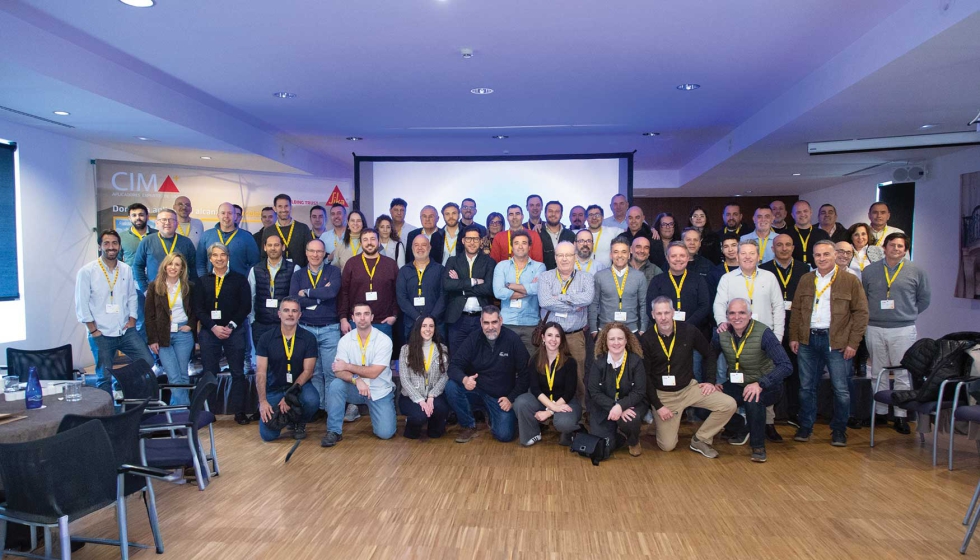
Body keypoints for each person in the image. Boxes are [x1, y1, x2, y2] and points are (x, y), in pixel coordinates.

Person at [789, 240, 869, 447]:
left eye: (826, 254)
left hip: (837, 342)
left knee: (841, 389)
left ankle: (839, 430)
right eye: (817, 255)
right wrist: (794, 336)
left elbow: (861, 313)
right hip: (807, 340)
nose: (822, 258)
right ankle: (805, 426)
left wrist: (853, 343)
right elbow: (796, 310)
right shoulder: (806, 279)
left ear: (835, 256)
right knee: (806, 388)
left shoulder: (850, 280)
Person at [641, 297, 735, 458]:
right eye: (659, 313)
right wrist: (658, 406)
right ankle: (658, 422)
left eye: (666, 312)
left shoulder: (689, 330)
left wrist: (710, 381)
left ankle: (701, 439)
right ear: (653, 315)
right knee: (667, 446)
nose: (663, 317)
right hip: (664, 396)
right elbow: (646, 377)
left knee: (728, 404)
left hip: (689, 389)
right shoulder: (646, 339)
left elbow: (709, 353)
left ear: (673, 312)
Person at [714, 240, 786, 441]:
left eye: (751, 253)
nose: (747, 257)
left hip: (764, 340)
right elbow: (719, 304)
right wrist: (722, 324)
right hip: (736, 340)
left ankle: (767, 424)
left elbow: (778, 307)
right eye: (743, 253)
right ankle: (741, 423)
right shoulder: (728, 279)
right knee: (737, 380)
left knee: (764, 380)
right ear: (737, 256)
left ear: (758, 256)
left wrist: (777, 338)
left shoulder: (769, 277)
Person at [861, 232, 931, 435]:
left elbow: (924, 299)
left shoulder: (916, 271)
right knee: (877, 372)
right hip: (874, 327)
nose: (896, 249)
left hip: (903, 329)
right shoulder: (869, 271)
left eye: (900, 246)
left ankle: (901, 415)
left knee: (902, 373)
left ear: (905, 250)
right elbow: (864, 297)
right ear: (885, 247)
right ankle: (880, 413)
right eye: (892, 245)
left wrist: (907, 314)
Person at [713, 298, 793, 463]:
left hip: (767, 386)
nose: (737, 317)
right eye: (732, 313)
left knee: (752, 398)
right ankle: (742, 426)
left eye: (741, 313)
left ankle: (758, 447)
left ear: (750, 315)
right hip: (738, 383)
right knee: (707, 400)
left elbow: (786, 366)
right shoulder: (721, 333)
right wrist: (711, 382)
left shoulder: (764, 333)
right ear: (727, 316)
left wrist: (761, 384)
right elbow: (709, 357)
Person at [75, 230, 154, 393]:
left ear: (119, 246)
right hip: (101, 333)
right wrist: (93, 330)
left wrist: (132, 319)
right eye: (106, 243)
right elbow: (81, 304)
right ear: (100, 246)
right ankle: (107, 408)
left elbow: (132, 296)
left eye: (115, 243)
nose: (111, 247)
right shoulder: (87, 271)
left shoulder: (126, 269)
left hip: (125, 330)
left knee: (147, 361)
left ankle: (120, 384)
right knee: (103, 377)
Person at [446, 305, 530, 443]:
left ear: (501, 321)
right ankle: (469, 425)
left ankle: (490, 415)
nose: (490, 327)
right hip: (477, 390)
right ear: (481, 322)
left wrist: (511, 398)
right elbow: (453, 366)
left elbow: (525, 374)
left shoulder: (513, 340)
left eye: (494, 322)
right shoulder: (473, 338)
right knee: (451, 386)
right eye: (486, 323)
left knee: (504, 435)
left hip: (500, 398)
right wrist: (465, 379)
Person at [322, 302, 398, 447]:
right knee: (336, 385)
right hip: (355, 388)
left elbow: (374, 372)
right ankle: (334, 431)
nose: (362, 318)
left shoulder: (383, 340)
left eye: (366, 314)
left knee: (386, 433)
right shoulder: (345, 340)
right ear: (353, 318)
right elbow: (338, 370)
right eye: (358, 314)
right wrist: (356, 379)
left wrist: (348, 366)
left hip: (378, 390)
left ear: (372, 317)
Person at [194, 242, 251, 424]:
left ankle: (239, 412)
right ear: (210, 259)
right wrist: (213, 327)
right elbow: (198, 308)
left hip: (234, 331)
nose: (219, 258)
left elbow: (245, 306)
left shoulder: (239, 279)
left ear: (228, 257)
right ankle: (209, 413)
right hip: (210, 332)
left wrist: (231, 326)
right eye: (215, 255)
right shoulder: (202, 281)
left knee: (238, 372)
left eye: (223, 255)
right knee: (209, 373)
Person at [290, 238, 343, 418]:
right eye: (312, 251)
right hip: (306, 328)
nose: (315, 255)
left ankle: (331, 409)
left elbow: (332, 292)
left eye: (319, 251)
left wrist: (308, 292)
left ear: (324, 254)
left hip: (330, 328)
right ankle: (318, 408)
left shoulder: (333, 271)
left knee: (331, 371)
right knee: (314, 372)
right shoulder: (298, 275)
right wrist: (321, 296)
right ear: (306, 253)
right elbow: (295, 300)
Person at [537, 241, 594, 408]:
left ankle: (582, 412)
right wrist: (574, 305)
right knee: (549, 374)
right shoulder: (545, 277)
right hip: (551, 338)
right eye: (560, 255)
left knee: (579, 376)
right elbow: (545, 301)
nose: (564, 259)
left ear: (575, 256)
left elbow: (587, 299)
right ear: (555, 257)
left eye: (568, 255)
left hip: (575, 336)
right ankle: (550, 410)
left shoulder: (586, 278)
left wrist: (559, 297)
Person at [255, 297, 321, 442]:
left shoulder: (308, 338)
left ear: (299, 315)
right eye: (286, 310)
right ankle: (289, 417)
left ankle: (299, 422)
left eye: (294, 311)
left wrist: (289, 396)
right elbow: (260, 372)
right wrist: (263, 401)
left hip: (299, 388)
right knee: (268, 436)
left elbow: (308, 371)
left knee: (312, 400)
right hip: (274, 388)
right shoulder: (266, 338)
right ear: (279, 314)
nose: (290, 314)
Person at [760, 233, 808, 427]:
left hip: (796, 328)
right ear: (773, 248)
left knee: (796, 373)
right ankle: (772, 416)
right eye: (779, 245)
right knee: (772, 372)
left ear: (793, 248)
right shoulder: (764, 270)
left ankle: (793, 412)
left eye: (788, 244)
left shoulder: (804, 269)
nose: (784, 248)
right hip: (772, 329)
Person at [514, 323, 582, 447]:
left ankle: (569, 433)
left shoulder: (570, 361)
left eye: (557, 336)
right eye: (549, 335)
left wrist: (550, 411)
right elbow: (535, 389)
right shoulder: (535, 360)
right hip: (542, 400)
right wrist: (552, 407)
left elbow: (569, 392)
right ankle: (532, 433)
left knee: (564, 423)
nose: (553, 339)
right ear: (543, 338)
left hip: (565, 402)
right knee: (521, 402)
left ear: (561, 340)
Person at [588, 322, 648, 457]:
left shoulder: (636, 361)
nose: (616, 342)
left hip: (631, 405)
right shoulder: (598, 361)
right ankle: (619, 436)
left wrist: (621, 406)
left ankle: (633, 441)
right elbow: (594, 391)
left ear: (626, 340)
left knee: (631, 419)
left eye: (620, 338)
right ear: (606, 341)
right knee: (603, 450)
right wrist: (614, 406)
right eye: (612, 339)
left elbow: (639, 391)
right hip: (605, 407)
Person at [145, 253, 197, 405]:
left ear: (182, 269)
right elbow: (149, 315)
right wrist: (152, 339)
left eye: (177, 264)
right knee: (173, 376)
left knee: (183, 374)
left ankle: (177, 411)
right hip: (162, 335)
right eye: (170, 264)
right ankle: (184, 411)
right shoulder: (154, 286)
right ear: (165, 266)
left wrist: (190, 325)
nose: (173, 267)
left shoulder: (189, 287)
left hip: (183, 334)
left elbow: (196, 310)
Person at [443, 225, 497, 351]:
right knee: (457, 356)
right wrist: (474, 281)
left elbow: (488, 288)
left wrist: (460, 286)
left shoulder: (489, 262)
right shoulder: (453, 261)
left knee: (482, 356)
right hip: (457, 319)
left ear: (481, 241)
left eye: (476, 239)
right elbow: (447, 285)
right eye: (468, 239)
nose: (472, 243)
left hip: (482, 318)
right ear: (463, 241)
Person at [338, 228, 399, 338]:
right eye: (365, 240)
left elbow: (397, 292)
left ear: (379, 242)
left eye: (373, 239)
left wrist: (394, 315)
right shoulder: (352, 264)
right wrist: (343, 319)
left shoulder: (390, 264)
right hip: (356, 322)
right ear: (361, 243)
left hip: (383, 322)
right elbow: (344, 292)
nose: (369, 243)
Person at [398, 316, 451, 440]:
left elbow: (445, 376)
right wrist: (420, 400)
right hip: (411, 397)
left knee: (440, 410)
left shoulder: (442, 349)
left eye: (431, 326)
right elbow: (404, 379)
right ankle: (411, 427)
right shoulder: (406, 350)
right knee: (419, 416)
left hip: (434, 395)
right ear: (418, 328)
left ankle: (434, 428)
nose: (428, 329)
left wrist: (432, 396)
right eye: (424, 326)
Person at [493, 230, 545, 355]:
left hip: (531, 323)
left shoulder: (539, 267)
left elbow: (538, 288)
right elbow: (498, 292)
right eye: (516, 243)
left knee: (531, 361)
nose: (520, 246)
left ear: (529, 246)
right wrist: (527, 291)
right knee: (506, 361)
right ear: (512, 246)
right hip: (507, 322)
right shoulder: (501, 266)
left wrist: (510, 285)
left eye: (524, 243)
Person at [249, 234, 299, 360]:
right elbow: (251, 297)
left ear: (283, 247)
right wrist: (252, 320)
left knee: (285, 361)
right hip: (261, 324)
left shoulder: (294, 268)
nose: (273, 248)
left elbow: (297, 299)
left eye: (276, 245)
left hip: (285, 325)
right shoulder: (255, 270)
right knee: (263, 362)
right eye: (269, 245)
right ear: (265, 247)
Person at [646, 242, 712, 336]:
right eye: (673, 256)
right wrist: (668, 327)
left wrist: (686, 326)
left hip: (693, 332)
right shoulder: (657, 281)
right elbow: (650, 308)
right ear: (667, 258)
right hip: (665, 333)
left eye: (682, 256)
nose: (678, 259)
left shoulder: (698, 280)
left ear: (688, 258)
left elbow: (704, 306)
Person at [589, 236, 649, 338]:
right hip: (605, 330)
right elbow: (594, 304)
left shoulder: (639, 276)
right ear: (611, 255)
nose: (620, 255)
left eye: (624, 252)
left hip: (631, 331)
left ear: (629, 254)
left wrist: (643, 329)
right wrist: (593, 329)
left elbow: (644, 304)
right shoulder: (599, 276)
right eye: (616, 252)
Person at [133, 208, 198, 297]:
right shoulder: (147, 241)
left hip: (180, 293)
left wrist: (191, 290)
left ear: (177, 223)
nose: (167, 223)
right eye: (163, 220)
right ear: (157, 223)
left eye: (171, 220)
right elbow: (137, 266)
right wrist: (145, 289)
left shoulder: (186, 242)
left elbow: (193, 269)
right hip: (155, 292)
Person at [396, 235, 446, 340]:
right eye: (416, 245)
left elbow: (444, 297)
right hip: (411, 324)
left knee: (437, 350)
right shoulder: (404, 271)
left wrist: (431, 318)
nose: (420, 248)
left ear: (430, 247)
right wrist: (418, 318)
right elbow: (401, 298)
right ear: (412, 248)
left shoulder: (440, 270)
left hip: (436, 324)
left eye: (423, 245)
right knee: (412, 351)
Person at [120, 203, 156, 338]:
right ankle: (141, 350)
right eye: (134, 215)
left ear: (147, 216)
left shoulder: (157, 235)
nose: (138, 218)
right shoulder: (122, 237)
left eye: (141, 215)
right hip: (133, 285)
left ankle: (155, 350)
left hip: (155, 284)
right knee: (139, 320)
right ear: (129, 218)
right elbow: (117, 262)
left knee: (156, 318)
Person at [197, 202, 259, 277]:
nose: (226, 216)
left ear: (235, 216)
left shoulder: (247, 237)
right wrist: (204, 279)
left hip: (238, 283)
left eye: (230, 213)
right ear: (218, 215)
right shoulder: (206, 235)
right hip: (212, 282)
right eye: (223, 213)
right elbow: (200, 262)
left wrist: (244, 280)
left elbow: (254, 263)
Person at [261, 194, 312, 267]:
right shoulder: (268, 231)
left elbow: (310, 253)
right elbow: (264, 256)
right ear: (275, 208)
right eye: (280, 206)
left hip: (300, 272)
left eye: (286, 206)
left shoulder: (303, 228)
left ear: (291, 207)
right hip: (276, 272)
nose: (283, 210)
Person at [785, 201, 830, 266]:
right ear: (792, 215)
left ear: (811, 212)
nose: (802, 214)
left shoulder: (823, 234)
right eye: (798, 212)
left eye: (805, 211)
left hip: (818, 270)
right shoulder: (785, 234)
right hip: (792, 271)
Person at [538, 200, 576, 270]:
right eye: (550, 211)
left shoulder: (570, 235)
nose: (553, 214)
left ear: (561, 215)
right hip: (543, 274)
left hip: (566, 274)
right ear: (545, 213)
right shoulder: (538, 233)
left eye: (557, 212)